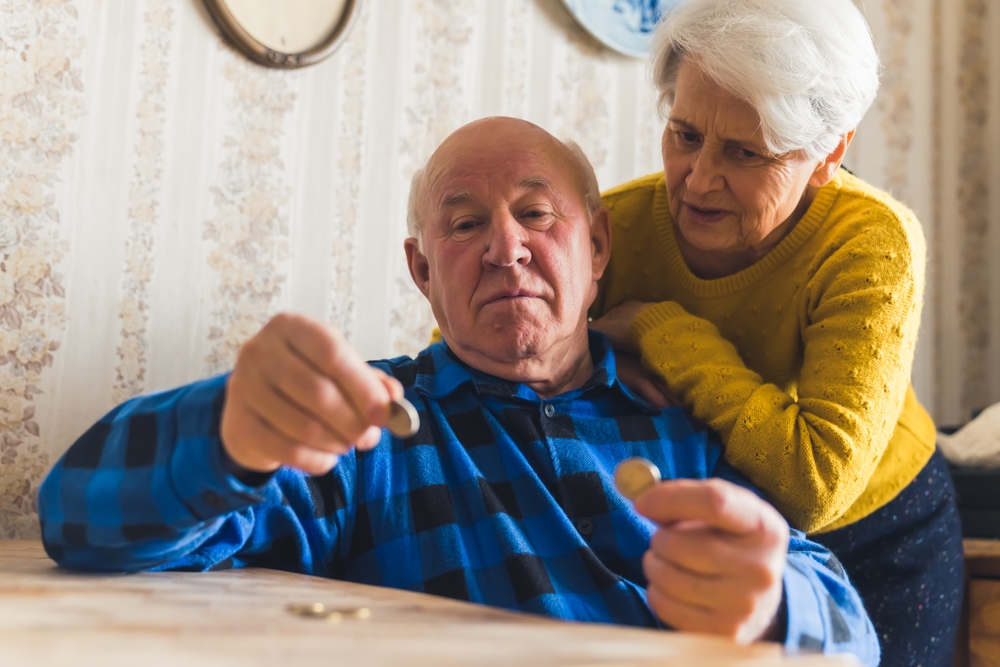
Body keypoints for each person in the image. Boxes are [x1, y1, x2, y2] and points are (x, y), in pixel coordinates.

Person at [39, 117, 877, 664]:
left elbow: (853, 631)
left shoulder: (680, 423)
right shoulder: (366, 428)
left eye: (537, 214)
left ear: (600, 248)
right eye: (466, 222)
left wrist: (776, 604)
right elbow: (75, 519)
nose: (505, 247)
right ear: (422, 271)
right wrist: (224, 431)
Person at [587, 1, 963, 664]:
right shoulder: (615, 226)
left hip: (879, 533)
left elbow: (813, 486)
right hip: (705, 536)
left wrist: (658, 328)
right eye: (684, 134)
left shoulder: (871, 240)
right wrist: (597, 348)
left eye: (745, 152)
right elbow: (481, 351)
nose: (699, 180)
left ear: (829, 154)